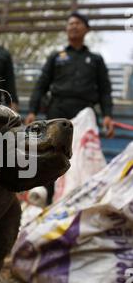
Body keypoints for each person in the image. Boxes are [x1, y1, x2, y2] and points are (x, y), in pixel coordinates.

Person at [25, 11, 115, 203]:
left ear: (86, 29)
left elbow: (105, 90)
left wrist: (108, 115)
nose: (73, 26)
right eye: (70, 23)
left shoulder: (95, 59)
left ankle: (80, 199)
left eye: (78, 23)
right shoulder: (56, 56)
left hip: (85, 113)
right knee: (50, 155)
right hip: (57, 110)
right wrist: (32, 110)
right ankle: (47, 200)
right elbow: (42, 84)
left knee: (84, 157)